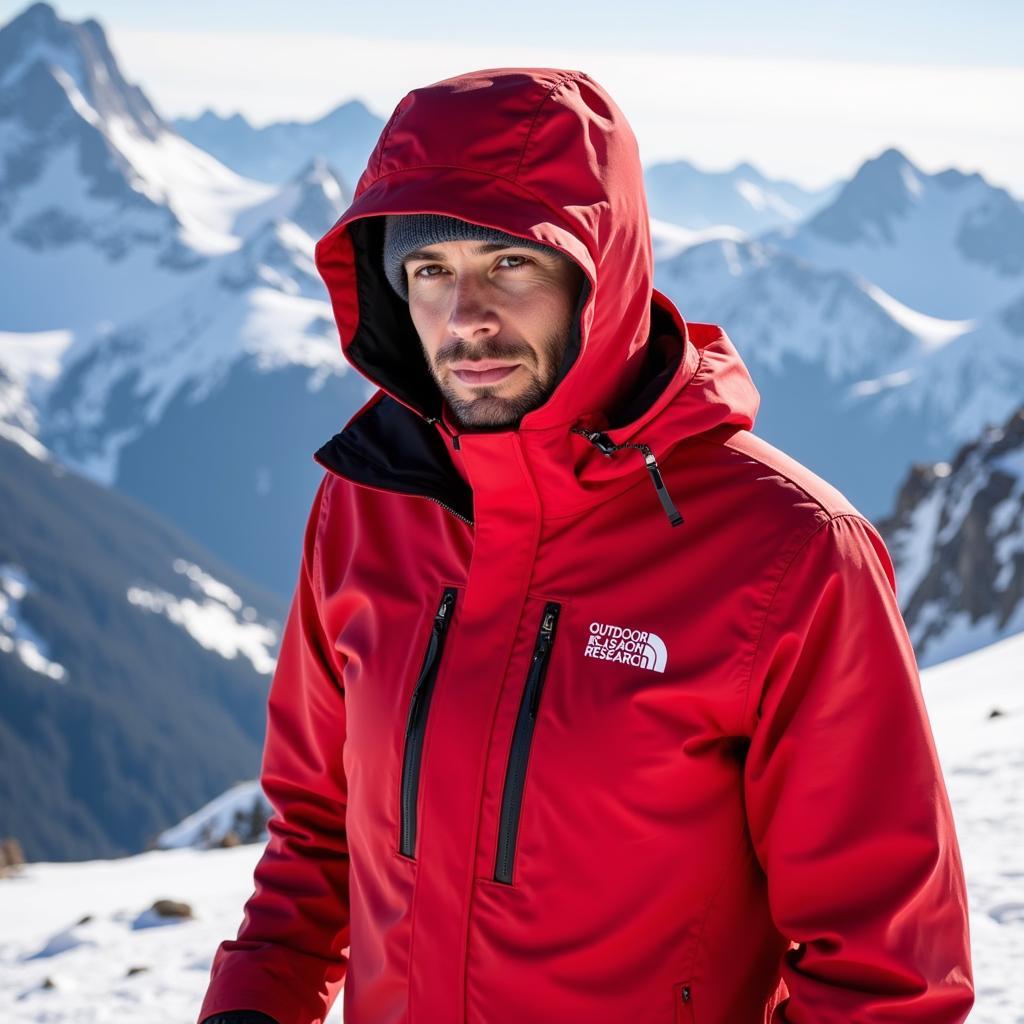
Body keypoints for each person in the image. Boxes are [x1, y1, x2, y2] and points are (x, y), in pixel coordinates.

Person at [197, 67, 974, 1024]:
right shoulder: (366, 507)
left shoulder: (792, 554)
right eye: (430, 271)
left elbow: (885, 972)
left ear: (597, 274)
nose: (466, 317)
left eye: (509, 264)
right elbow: (318, 835)